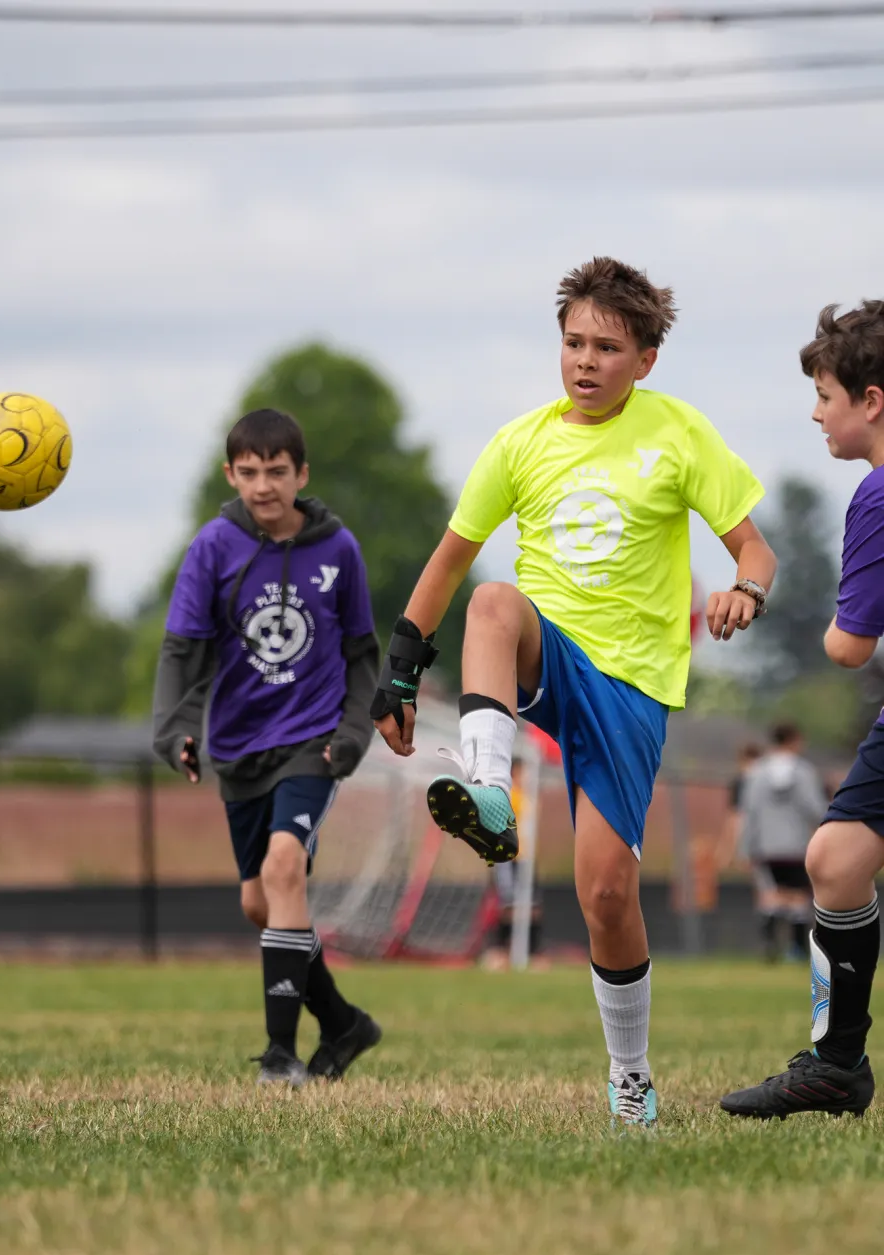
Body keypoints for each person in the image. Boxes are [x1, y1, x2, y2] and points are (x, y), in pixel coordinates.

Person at [372, 256, 775, 1126]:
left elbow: (756, 549)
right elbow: (449, 561)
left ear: (646, 360)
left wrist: (747, 589)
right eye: (572, 343)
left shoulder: (680, 435)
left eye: (606, 347)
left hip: (630, 689)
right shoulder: (520, 443)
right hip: (546, 652)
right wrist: (398, 673)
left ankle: (630, 1076)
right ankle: (489, 787)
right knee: (492, 600)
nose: (585, 361)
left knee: (604, 894)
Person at [153, 408, 382, 1087]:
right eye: (248, 473)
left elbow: (361, 652)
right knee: (262, 902)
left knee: (286, 872)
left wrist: (353, 733)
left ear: (300, 475)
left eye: (276, 472)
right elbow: (182, 649)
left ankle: (280, 1056)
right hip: (237, 745)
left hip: (313, 741)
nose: (262, 486)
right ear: (231, 474)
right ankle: (343, 1023)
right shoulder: (213, 547)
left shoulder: (338, 549)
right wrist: (174, 728)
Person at [722, 302, 884, 1120]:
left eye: (825, 393)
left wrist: (829, 617)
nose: (816, 411)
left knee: (836, 859)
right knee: (838, 858)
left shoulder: (878, 496)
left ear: (872, 400)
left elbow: (849, 647)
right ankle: (836, 1065)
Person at [739, 724, 827, 963]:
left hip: (766, 847)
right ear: (795, 740)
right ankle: (797, 948)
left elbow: (749, 812)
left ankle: (769, 944)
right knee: (799, 896)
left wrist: (746, 848)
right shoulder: (804, 772)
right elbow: (816, 809)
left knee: (771, 895)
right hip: (797, 845)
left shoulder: (756, 772)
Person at [483, 756, 545, 969]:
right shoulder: (508, 796)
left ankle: (533, 952)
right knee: (508, 905)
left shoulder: (528, 797)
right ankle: (500, 951)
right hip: (509, 859)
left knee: (533, 906)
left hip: (527, 859)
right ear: (514, 772)